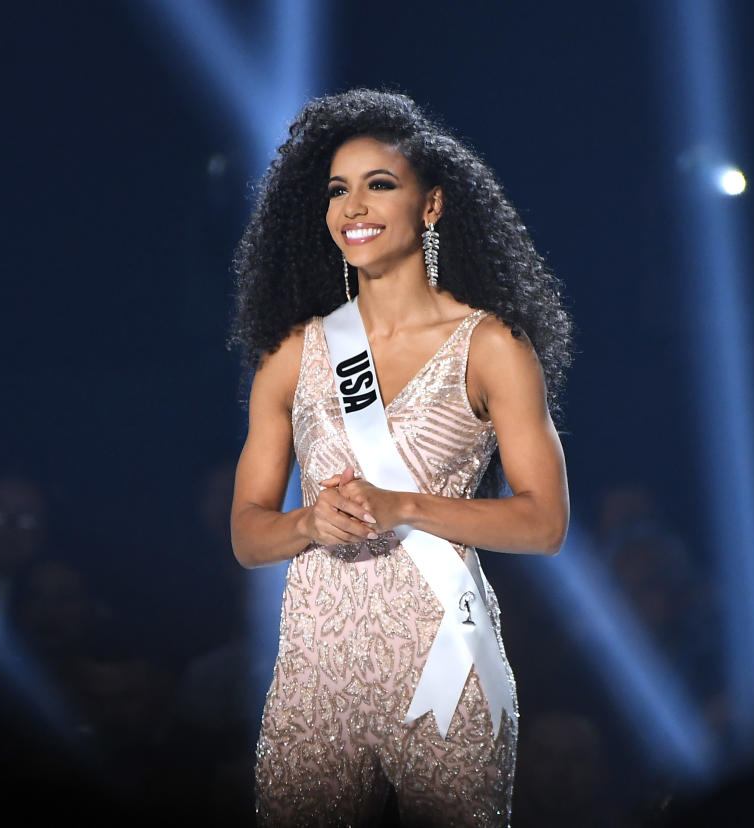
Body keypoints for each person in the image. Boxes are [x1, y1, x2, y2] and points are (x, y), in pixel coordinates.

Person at [229, 89, 572, 826]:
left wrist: (405, 507)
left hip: (445, 657)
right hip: (315, 669)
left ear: (432, 206)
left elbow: (544, 525)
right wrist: (309, 524)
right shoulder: (294, 354)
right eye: (337, 190)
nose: (354, 205)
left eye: (379, 184)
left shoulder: (493, 347)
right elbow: (248, 534)